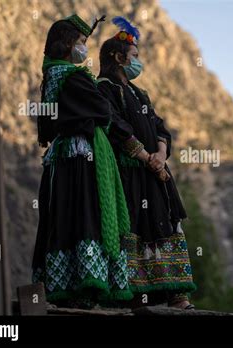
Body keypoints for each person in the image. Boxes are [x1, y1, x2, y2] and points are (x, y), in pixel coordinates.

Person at [32, 14, 133, 308]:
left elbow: (48, 127)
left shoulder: (50, 78)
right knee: (86, 213)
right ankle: (86, 285)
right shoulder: (73, 77)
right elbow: (102, 110)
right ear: (66, 45)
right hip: (81, 155)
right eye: (79, 42)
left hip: (59, 156)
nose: (83, 49)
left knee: (62, 217)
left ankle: (63, 284)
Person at [97, 16, 196, 309]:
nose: (138, 62)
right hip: (129, 175)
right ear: (118, 57)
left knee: (165, 226)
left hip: (154, 173)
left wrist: (161, 155)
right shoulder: (104, 88)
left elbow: (161, 127)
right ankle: (136, 296)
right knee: (135, 230)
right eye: (134, 57)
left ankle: (177, 295)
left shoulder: (141, 94)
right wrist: (143, 156)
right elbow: (115, 126)